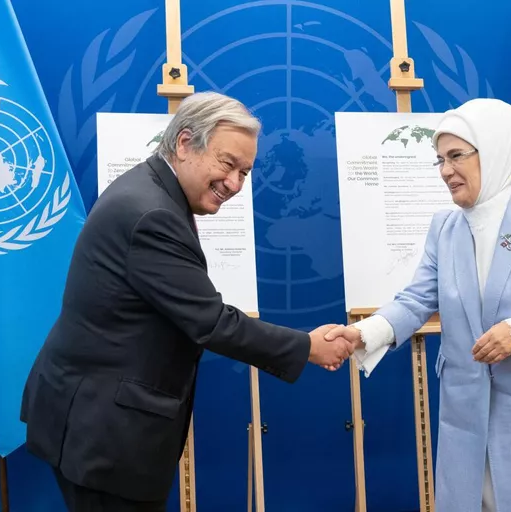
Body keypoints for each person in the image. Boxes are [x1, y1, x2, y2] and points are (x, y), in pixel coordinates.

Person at [19, 91, 354, 511]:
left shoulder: (151, 189)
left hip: (94, 419)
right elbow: (211, 322)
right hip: (103, 433)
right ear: (184, 143)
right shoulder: (152, 214)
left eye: (245, 172)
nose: (235, 183)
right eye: (227, 164)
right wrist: (308, 347)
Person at [326, 98, 511, 511]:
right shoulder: (444, 228)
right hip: (466, 413)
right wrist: (362, 333)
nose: (445, 170)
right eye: (440, 159)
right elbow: (417, 299)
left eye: (456, 156)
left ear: (495, 150)